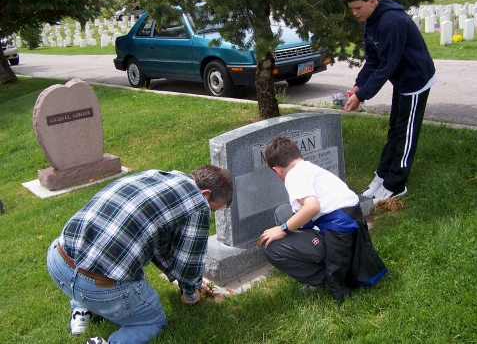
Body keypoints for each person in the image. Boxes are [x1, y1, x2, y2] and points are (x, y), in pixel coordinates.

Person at [46, 166, 233, 344]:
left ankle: (81, 309)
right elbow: (189, 260)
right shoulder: (198, 203)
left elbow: (158, 246)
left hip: (58, 261)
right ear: (206, 194)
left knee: (97, 254)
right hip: (101, 286)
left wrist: (184, 281)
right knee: (153, 322)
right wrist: (190, 293)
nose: (209, 212)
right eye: (213, 209)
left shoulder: (155, 176)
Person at [342, 0, 437, 204]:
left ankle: (395, 185)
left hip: (415, 80)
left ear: (372, 1)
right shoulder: (370, 20)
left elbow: (387, 65)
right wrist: (358, 86)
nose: (354, 13)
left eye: (358, 8)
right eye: (351, 9)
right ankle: (383, 176)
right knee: (395, 128)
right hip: (401, 80)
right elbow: (373, 60)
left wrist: (362, 96)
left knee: (406, 134)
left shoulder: (392, 21)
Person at [259, 137, 387, 301]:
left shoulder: (293, 176)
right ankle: (328, 263)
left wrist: (282, 229)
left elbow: (312, 207)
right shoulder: (310, 168)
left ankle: (324, 278)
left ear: (277, 170)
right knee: (283, 212)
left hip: (339, 238)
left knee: (270, 247)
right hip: (352, 230)